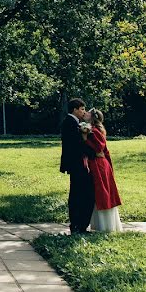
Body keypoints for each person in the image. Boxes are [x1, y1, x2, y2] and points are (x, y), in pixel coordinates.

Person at [60, 98, 96, 234]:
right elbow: (77, 145)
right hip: (77, 164)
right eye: (81, 109)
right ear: (74, 109)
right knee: (82, 195)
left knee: (79, 194)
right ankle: (78, 225)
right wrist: (94, 152)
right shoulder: (70, 123)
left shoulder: (74, 122)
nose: (84, 112)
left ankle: (79, 225)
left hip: (77, 164)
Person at [84, 109, 123, 232]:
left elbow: (98, 147)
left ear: (93, 117)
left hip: (99, 164)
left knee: (102, 193)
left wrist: (85, 138)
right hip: (98, 163)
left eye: (88, 113)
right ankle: (99, 224)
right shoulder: (95, 129)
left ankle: (105, 226)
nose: (85, 113)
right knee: (99, 193)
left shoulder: (95, 130)